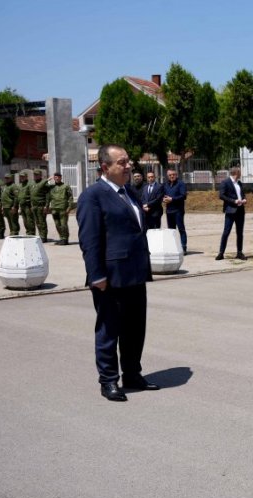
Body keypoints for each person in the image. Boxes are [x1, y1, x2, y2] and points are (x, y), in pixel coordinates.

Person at [77, 144, 159, 402]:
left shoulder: (130, 192)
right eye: (122, 162)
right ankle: (109, 380)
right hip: (110, 278)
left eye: (128, 161)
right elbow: (89, 240)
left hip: (135, 273)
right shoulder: (93, 196)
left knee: (135, 329)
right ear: (105, 167)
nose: (128, 166)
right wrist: (96, 275)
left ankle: (132, 374)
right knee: (109, 330)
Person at [216, 167, 247, 260]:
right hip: (230, 210)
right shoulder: (225, 182)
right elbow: (221, 195)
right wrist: (234, 201)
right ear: (236, 173)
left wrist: (244, 199)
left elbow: (242, 194)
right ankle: (221, 253)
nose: (240, 174)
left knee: (240, 232)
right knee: (226, 232)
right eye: (240, 172)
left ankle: (239, 252)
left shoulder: (239, 183)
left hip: (240, 210)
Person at [162, 168, 188, 252]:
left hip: (178, 210)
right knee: (171, 230)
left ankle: (183, 247)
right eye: (170, 175)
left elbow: (183, 196)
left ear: (176, 175)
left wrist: (172, 199)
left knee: (181, 229)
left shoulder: (181, 184)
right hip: (169, 211)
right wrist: (163, 199)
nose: (172, 176)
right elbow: (162, 195)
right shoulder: (165, 184)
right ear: (167, 176)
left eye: (173, 174)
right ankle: (173, 248)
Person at [46, 172, 73, 245]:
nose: (57, 178)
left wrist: (69, 207)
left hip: (63, 209)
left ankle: (65, 239)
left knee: (63, 225)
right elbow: (43, 188)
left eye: (58, 177)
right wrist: (48, 179)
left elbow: (70, 197)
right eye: (55, 177)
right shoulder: (51, 187)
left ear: (61, 178)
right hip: (54, 209)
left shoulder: (66, 186)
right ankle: (61, 238)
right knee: (57, 225)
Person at [29, 169, 50, 242]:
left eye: (37, 175)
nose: (35, 176)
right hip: (34, 206)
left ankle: (43, 236)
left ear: (40, 175)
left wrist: (46, 206)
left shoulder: (44, 184)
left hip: (41, 206)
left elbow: (48, 195)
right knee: (37, 222)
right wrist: (31, 205)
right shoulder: (32, 183)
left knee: (42, 222)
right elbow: (31, 195)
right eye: (34, 174)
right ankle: (40, 235)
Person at [16, 170, 36, 236]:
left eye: (23, 176)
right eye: (21, 177)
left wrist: (32, 205)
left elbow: (32, 195)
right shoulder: (20, 185)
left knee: (30, 220)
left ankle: (32, 233)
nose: (22, 178)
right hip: (22, 206)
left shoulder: (30, 184)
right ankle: (28, 232)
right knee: (25, 221)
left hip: (28, 205)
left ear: (26, 177)